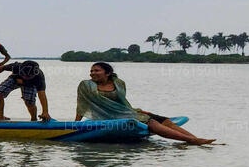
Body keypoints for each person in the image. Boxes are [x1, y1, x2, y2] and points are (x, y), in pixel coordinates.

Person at [77, 62, 216, 145]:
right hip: (108, 118)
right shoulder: (86, 86)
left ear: (107, 73)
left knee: (165, 121)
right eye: (91, 71)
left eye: (96, 70)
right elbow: (81, 105)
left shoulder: (118, 83)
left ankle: (195, 139)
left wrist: (136, 112)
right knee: (153, 124)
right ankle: (190, 141)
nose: (92, 73)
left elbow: (122, 103)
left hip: (126, 112)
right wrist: (75, 125)